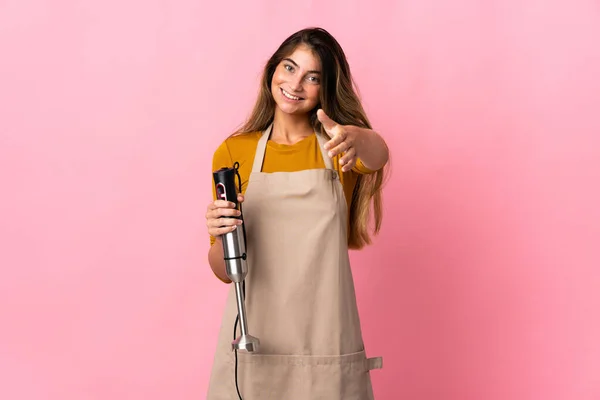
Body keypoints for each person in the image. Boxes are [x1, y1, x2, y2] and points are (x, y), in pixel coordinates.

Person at [205, 27, 389, 399]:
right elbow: (225, 273)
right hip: (256, 337)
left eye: (313, 77)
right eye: (289, 68)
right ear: (273, 69)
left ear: (326, 88)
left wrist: (356, 136)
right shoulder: (234, 152)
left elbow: (379, 153)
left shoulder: (340, 148)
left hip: (325, 336)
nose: (295, 83)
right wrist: (222, 234)